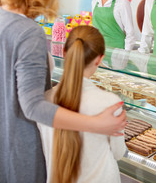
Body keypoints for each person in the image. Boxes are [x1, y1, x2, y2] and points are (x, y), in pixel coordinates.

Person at [0, 0, 126, 183]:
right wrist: (96, 124)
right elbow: (32, 107)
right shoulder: (29, 33)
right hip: (17, 146)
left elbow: (8, 82)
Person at [38, 26, 126, 183]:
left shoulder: (43, 102)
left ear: (64, 53)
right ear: (99, 59)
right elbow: (119, 153)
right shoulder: (111, 103)